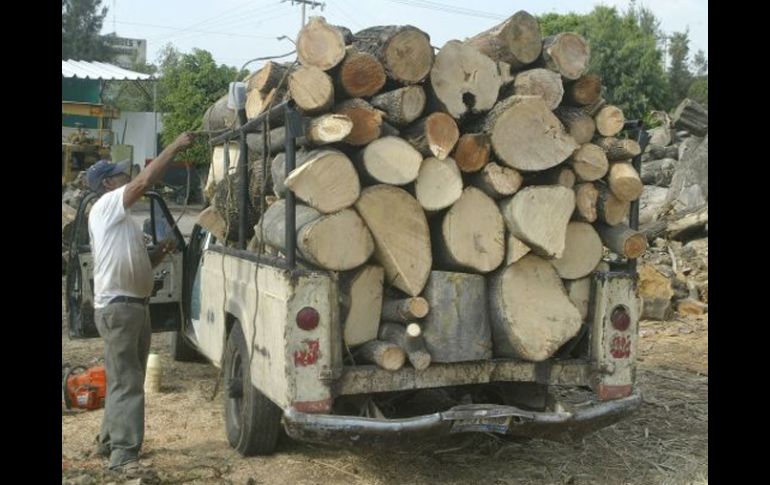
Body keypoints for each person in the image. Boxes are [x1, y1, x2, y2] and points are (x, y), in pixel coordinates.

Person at [86, 132, 196, 476]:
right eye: (120, 175)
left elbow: (139, 263)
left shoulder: (122, 221)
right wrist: (176, 147)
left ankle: (109, 442)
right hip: (120, 307)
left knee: (122, 378)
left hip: (131, 306)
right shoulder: (106, 206)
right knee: (127, 382)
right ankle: (124, 457)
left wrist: (160, 252)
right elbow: (147, 179)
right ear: (108, 184)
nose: (128, 178)